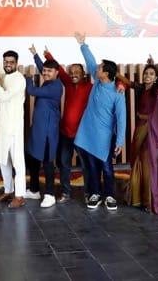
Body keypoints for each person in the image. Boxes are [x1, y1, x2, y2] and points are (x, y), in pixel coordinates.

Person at [72, 32, 126, 211]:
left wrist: (119, 141)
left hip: (105, 137)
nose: (97, 69)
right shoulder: (97, 83)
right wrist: (83, 44)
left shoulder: (117, 94)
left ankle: (109, 196)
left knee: (107, 167)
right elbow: (90, 61)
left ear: (107, 74)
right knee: (93, 167)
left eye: (100, 68)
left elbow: (122, 118)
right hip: (88, 132)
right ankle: (95, 193)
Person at [40, 46, 93, 203]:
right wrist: (48, 54)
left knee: (86, 165)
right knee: (64, 164)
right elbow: (60, 71)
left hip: (82, 134)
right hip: (65, 133)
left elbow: (109, 83)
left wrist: (122, 85)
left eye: (77, 72)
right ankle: (65, 192)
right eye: (72, 72)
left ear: (83, 74)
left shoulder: (90, 87)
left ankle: (89, 192)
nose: (73, 74)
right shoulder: (68, 83)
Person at [118, 64, 158, 214]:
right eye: (146, 73)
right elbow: (129, 83)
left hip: (151, 132)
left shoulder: (157, 92)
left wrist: (143, 117)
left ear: (156, 78)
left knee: (147, 165)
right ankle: (137, 198)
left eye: (151, 74)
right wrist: (116, 74)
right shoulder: (142, 89)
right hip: (139, 129)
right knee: (138, 163)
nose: (147, 76)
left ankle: (149, 201)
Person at [0, 42, 27, 208]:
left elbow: (4, 96)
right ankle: (8, 191)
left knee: (18, 163)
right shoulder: (6, 74)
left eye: (11, 62)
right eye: (6, 62)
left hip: (14, 128)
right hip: (3, 126)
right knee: (3, 161)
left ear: (16, 63)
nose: (7, 65)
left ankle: (19, 196)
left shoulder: (19, 79)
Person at [24, 46, 63, 208]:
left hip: (47, 133)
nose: (45, 73)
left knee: (47, 163)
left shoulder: (54, 87)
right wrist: (35, 56)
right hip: (37, 131)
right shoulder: (50, 79)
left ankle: (50, 194)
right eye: (44, 71)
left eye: (49, 71)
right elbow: (43, 68)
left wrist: (27, 78)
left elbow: (32, 91)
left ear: (57, 73)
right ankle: (34, 190)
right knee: (32, 159)